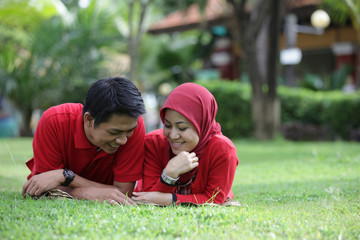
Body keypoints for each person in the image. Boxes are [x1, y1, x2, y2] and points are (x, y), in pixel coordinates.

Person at [22, 77, 146, 205]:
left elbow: (123, 194)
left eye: (129, 131)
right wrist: (88, 193)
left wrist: (64, 176)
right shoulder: (54, 121)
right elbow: (45, 188)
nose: (124, 140)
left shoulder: (132, 124)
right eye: (114, 133)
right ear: (89, 119)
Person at [132, 83, 238, 205]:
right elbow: (148, 198)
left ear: (201, 124)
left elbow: (214, 199)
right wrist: (169, 175)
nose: (172, 135)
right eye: (167, 125)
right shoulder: (154, 143)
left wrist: (169, 199)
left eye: (182, 128)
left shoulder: (222, 149)